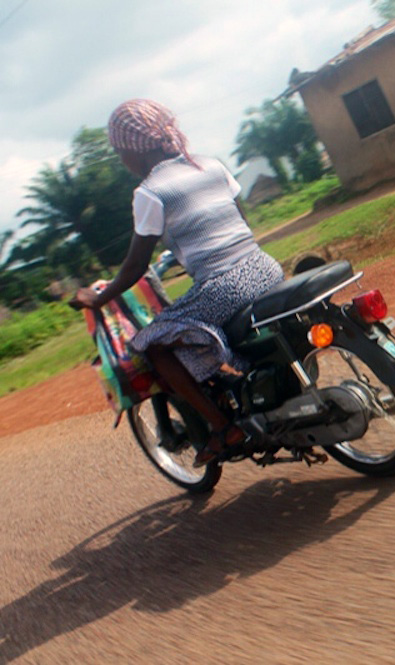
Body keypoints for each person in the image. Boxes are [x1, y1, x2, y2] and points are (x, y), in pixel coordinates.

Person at [70, 99, 284, 465]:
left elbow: (136, 264)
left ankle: (223, 428)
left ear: (134, 151)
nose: (123, 163)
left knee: (150, 344)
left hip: (224, 287)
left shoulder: (150, 192)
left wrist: (97, 299)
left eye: (120, 153)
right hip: (265, 268)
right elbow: (240, 223)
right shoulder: (211, 165)